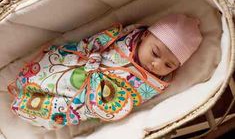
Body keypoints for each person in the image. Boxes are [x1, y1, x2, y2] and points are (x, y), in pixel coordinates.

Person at [7, 14, 202, 130]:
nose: (156, 65)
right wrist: (90, 58)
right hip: (81, 67)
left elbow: (124, 103)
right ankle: (26, 83)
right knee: (54, 69)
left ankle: (26, 106)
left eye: (168, 65)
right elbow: (93, 43)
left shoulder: (151, 85)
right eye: (155, 53)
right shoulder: (124, 39)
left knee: (60, 108)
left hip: (92, 99)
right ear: (145, 36)